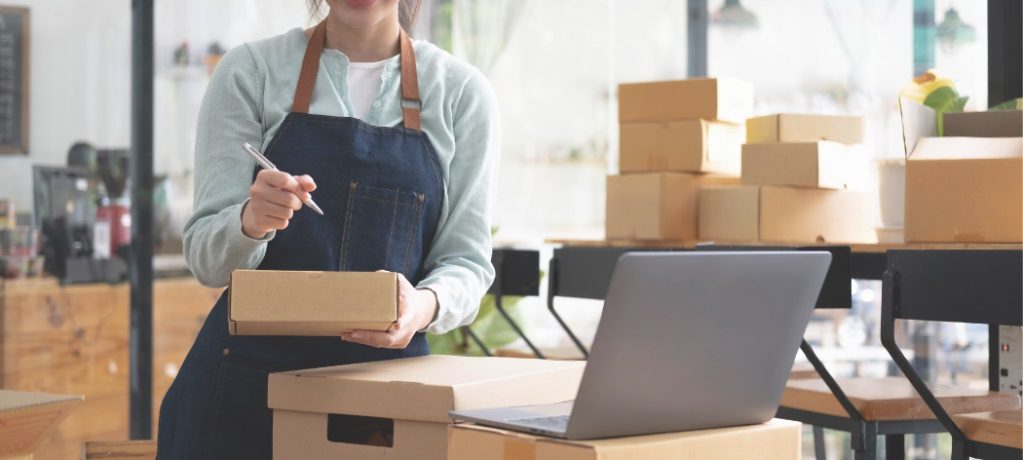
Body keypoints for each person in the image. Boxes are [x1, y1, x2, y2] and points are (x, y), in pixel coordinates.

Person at [156, 0, 499, 457]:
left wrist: (421, 306)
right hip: (242, 392)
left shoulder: (460, 93)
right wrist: (251, 222)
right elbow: (205, 258)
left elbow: (466, 262)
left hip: (385, 400)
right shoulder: (252, 72)